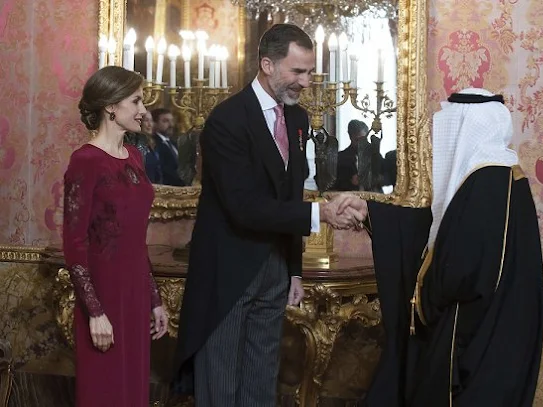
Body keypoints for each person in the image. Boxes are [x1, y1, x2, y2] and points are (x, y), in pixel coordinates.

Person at [171, 24, 363, 407]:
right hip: (228, 273)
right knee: (221, 390)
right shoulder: (227, 120)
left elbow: (289, 194)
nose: (306, 82)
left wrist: (293, 268)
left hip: (275, 269)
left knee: (261, 388)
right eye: (298, 71)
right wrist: (321, 213)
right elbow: (243, 207)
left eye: (309, 71)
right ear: (267, 64)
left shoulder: (297, 120)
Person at [335, 89, 543, 406]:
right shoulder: (504, 177)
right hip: (498, 332)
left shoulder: (485, 182)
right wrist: (371, 211)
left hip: (472, 343)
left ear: (463, 129)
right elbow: (438, 229)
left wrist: (424, 297)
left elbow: (457, 270)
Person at [63, 66, 169, 407]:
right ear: (111, 107)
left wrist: (154, 300)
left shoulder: (135, 157)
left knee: (132, 392)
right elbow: (74, 244)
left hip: (134, 296)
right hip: (103, 296)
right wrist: (95, 312)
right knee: (103, 391)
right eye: (136, 101)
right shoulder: (86, 161)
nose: (143, 110)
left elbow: (136, 241)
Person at [335, 120, 383, 192]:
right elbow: (334, 184)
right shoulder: (340, 158)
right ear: (350, 136)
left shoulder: (374, 155)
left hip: (374, 199)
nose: (360, 143)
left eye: (363, 139)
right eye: (357, 140)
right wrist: (350, 182)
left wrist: (372, 178)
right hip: (350, 199)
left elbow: (386, 177)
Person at [153, 107, 185, 186]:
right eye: (165, 121)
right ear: (155, 123)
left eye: (171, 121)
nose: (171, 125)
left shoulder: (174, 143)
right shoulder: (154, 144)